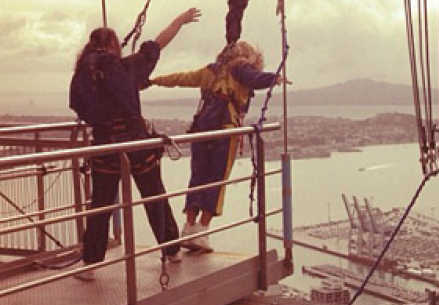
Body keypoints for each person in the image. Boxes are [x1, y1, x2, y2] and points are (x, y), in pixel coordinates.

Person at [69, 8, 201, 280]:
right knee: (154, 196)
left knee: (101, 205)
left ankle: (90, 264)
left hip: (105, 145)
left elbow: (80, 107)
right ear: (113, 45)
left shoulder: (81, 74)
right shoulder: (124, 67)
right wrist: (179, 21)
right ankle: (172, 250)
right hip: (136, 142)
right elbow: (157, 45)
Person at [150, 41, 282, 252]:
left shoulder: (210, 71)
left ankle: (188, 228)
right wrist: (274, 78)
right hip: (225, 130)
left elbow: (182, 78)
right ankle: (202, 231)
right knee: (217, 180)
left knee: (198, 177)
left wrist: (155, 81)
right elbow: (254, 79)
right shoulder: (240, 68)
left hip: (202, 129)